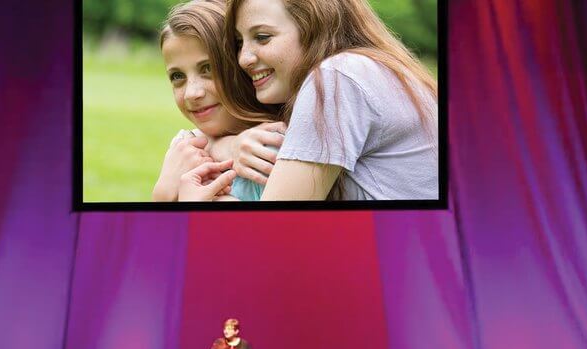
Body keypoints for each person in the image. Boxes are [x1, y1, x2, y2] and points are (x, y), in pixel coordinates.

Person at [178, 0, 438, 201]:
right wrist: (223, 146)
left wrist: (194, 202)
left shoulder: (338, 77)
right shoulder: (368, 69)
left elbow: (274, 232)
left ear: (313, 25)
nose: (243, 58)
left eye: (262, 37)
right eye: (238, 42)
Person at [155, 0, 286, 202]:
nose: (192, 93)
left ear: (242, 64)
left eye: (208, 68)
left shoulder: (268, 150)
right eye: (177, 76)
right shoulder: (185, 150)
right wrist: (163, 194)